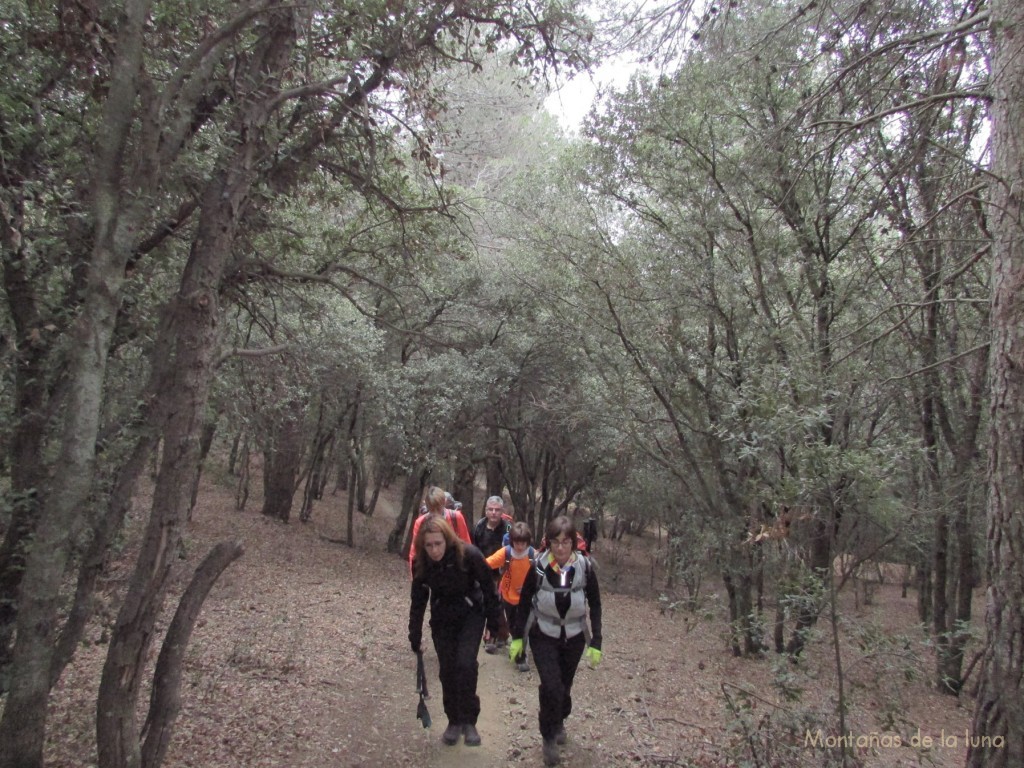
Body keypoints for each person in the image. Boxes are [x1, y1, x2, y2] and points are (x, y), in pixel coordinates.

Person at [510, 516, 602, 767]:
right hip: (544, 634)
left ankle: (560, 717)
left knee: (564, 687)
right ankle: (548, 736)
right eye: (555, 542)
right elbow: (526, 599)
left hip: (573, 638)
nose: (560, 548)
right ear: (548, 543)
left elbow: (595, 604)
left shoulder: (585, 567)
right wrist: (518, 638)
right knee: (551, 686)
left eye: (565, 542)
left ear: (573, 543)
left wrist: (597, 641)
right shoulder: (539, 566)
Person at [408, 515, 501, 747]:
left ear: (446, 540)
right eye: (429, 545)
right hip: (442, 618)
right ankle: (454, 720)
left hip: (471, 614)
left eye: (438, 544)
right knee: (447, 669)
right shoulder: (421, 562)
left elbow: (490, 589)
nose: (434, 550)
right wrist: (415, 633)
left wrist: (494, 624)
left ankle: (470, 720)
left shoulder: (468, 555)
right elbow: (418, 600)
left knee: (466, 664)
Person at [484, 522, 535, 671]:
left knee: (524, 626)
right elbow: (487, 563)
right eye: (517, 543)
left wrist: (529, 588)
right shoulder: (505, 553)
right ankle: (517, 647)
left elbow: (542, 576)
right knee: (513, 625)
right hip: (508, 597)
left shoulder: (533, 556)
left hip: (527, 599)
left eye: (523, 543)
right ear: (512, 540)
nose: (520, 546)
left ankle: (521, 657)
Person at [473, 495, 513, 651]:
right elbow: (475, 548)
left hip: (503, 572)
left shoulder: (508, 528)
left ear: (502, 511)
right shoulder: (479, 527)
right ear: (486, 510)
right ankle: (490, 637)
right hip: (483, 571)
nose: (494, 513)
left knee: (500, 604)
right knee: (486, 602)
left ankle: (501, 634)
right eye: (491, 509)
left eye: (497, 510)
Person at [408, 486, 472, 573]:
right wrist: (415, 577)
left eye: (438, 509)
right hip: (431, 569)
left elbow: (467, 544)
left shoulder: (456, 518)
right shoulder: (421, 522)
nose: (435, 513)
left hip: (455, 569)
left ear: (444, 503)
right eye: (431, 509)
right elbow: (415, 552)